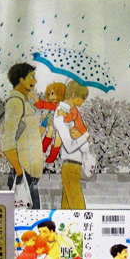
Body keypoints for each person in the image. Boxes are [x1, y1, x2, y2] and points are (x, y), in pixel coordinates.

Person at [0, 62, 43, 209]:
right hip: (23, 174)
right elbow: (7, 140)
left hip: (29, 174)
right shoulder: (15, 102)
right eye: (31, 77)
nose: (35, 81)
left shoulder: (25, 102)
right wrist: (19, 172)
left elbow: (29, 135)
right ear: (21, 79)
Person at [53, 80, 90, 209]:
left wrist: (82, 136)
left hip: (75, 165)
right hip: (70, 165)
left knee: (67, 209)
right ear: (73, 95)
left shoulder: (72, 111)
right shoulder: (60, 113)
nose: (83, 102)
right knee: (78, 207)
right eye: (82, 98)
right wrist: (85, 136)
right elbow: (69, 146)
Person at [34, 82, 66, 163]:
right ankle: (43, 148)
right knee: (50, 131)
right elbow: (43, 104)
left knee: (58, 137)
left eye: (54, 94)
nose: (52, 96)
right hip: (52, 123)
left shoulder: (63, 106)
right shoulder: (52, 104)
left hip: (61, 125)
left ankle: (53, 155)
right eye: (50, 94)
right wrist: (35, 98)